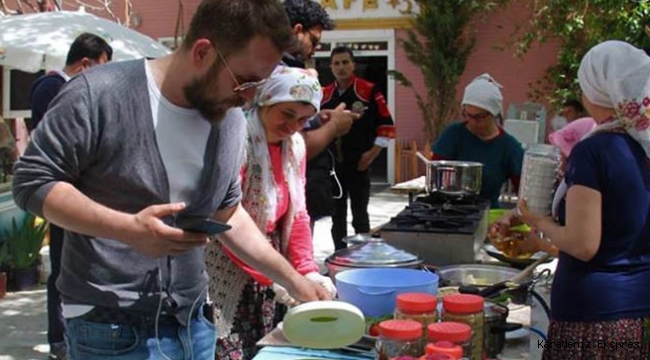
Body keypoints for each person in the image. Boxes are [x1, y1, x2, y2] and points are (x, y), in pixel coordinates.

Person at [12, 1, 329, 359]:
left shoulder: (229, 119)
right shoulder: (98, 94)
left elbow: (226, 214)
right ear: (203, 51)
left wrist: (294, 281)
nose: (250, 97)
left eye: (260, 83)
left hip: (194, 323)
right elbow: (32, 182)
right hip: (110, 328)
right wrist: (127, 228)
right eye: (244, 80)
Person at [515, 40, 650, 359]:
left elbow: (584, 243)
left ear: (598, 88)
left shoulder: (594, 150)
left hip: (592, 318)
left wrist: (540, 221)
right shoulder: (642, 148)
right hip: (635, 312)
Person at [206, 65, 337, 360]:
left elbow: (299, 215)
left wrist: (307, 271)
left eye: (304, 119)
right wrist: (281, 279)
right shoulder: (238, 142)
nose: (293, 125)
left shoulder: (295, 147)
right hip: (228, 258)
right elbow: (229, 222)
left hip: (271, 263)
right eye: (287, 113)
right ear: (265, 100)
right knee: (231, 346)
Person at [28, 33, 113, 360]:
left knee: (77, 266)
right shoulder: (52, 88)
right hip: (61, 193)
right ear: (85, 63)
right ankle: (60, 340)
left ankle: (72, 335)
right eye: (100, 68)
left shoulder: (66, 87)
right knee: (63, 270)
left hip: (78, 192)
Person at [281, 0, 360, 229]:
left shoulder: (275, 69)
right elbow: (296, 145)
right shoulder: (285, 74)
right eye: (314, 41)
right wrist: (334, 127)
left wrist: (316, 119)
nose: (314, 49)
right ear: (297, 31)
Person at [490, 117, 597, 258]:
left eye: (567, 158)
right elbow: (546, 214)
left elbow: (581, 249)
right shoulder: (568, 183)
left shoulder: (589, 192)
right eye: (561, 156)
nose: (561, 164)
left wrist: (541, 244)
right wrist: (511, 218)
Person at [321, 46, 395, 250]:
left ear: (353, 65)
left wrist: (372, 154)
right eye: (336, 63)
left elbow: (387, 126)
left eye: (345, 62)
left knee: (360, 215)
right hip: (333, 168)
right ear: (331, 67)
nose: (341, 67)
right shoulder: (324, 94)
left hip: (360, 164)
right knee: (337, 217)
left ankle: (363, 259)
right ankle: (339, 259)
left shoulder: (370, 90)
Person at [431, 74, 524, 208]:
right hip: (449, 213)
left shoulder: (509, 148)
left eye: (479, 117)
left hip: (488, 216)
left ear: (494, 113)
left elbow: (524, 195)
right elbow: (436, 176)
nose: (473, 122)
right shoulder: (452, 135)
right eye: (469, 115)